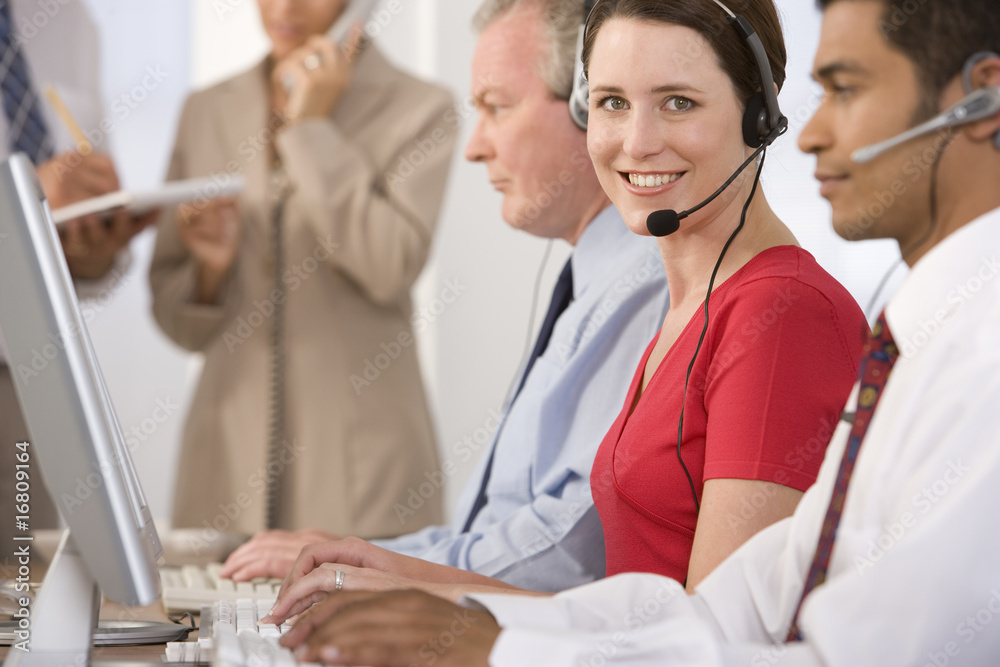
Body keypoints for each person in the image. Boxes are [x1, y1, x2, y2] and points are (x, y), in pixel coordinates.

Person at [275, 0, 1000, 664]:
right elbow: (715, 617)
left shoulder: (806, 318)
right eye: (612, 103)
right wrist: (436, 603)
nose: (812, 133)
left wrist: (488, 641)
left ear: (760, 117)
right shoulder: (710, 315)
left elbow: (807, 649)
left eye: (678, 103)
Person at [220, 0, 671, 593]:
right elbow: (493, 530)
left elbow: (572, 546)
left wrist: (383, 571)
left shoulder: (642, 287)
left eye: (497, 107)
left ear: (594, 107)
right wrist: (361, 554)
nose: (475, 147)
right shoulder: (591, 279)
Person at [149, 0, 456, 538]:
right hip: (226, 453)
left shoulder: (419, 107)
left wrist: (311, 131)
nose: (284, 7)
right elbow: (177, 322)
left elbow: (389, 264)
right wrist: (210, 272)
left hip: (359, 465)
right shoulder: (206, 109)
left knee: (356, 618)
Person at [0, 0, 153, 560]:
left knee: (19, 598)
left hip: (28, 380)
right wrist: (18, 199)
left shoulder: (67, 19)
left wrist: (94, 247)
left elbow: (75, 257)